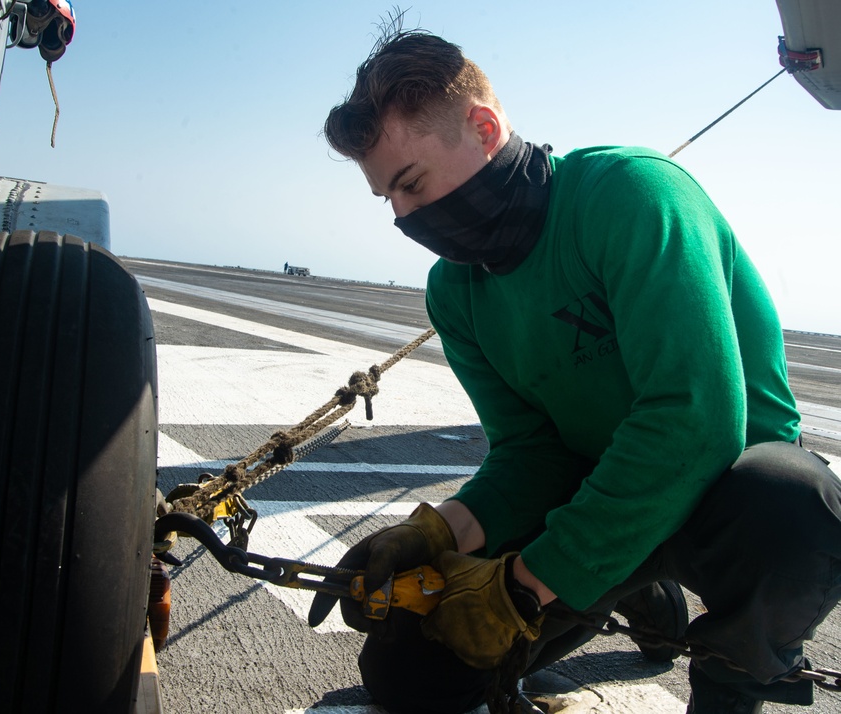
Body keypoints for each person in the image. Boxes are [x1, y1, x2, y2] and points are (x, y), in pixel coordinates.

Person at [307, 25, 841, 714]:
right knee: (410, 673)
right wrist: (442, 529)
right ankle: (637, 583)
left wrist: (522, 587)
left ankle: (728, 694)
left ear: (483, 126)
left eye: (410, 183)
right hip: (601, 492)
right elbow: (531, 454)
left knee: (791, 506)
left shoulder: (631, 194)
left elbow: (697, 423)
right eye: (389, 199)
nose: (405, 215)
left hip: (727, 491)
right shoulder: (456, 291)